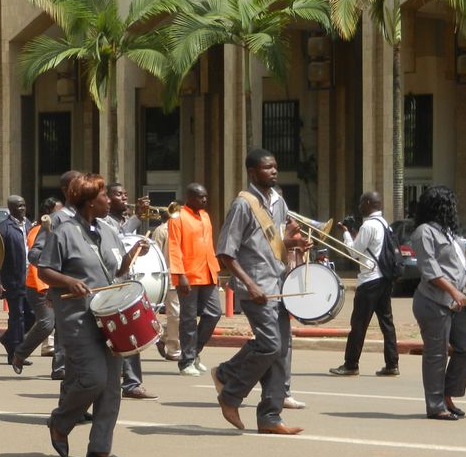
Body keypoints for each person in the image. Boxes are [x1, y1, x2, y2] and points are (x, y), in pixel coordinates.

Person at [39, 173, 150, 457]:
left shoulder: (109, 229)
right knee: (93, 379)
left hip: (111, 316)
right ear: (89, 202)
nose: (110, 200)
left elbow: (117, 271)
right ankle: (60, 422)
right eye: (104, 196)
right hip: (78, 317)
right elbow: (44, 270)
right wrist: (68, 281)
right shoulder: (63, 232)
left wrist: (134, 255)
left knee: (113, 384)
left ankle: (99, 447)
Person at [212, 149, 306, 436]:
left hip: (277, 285)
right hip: (254, 288)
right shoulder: (243, 204)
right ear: (253, 172)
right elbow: (226, 252)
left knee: (281, 351)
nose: (274, 171)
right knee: (269, 345)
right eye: (267, 168)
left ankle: (269, 417)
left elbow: (273, 244)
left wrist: (293, 243)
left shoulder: (276, 203)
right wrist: (250, 284)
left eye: (276, 166)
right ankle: (229, 389)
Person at [410, 185, 466, 421]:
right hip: (433, 302)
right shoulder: (424, 232)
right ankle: (436, 405)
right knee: (436, 354)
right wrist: (453, 291)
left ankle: (448, 394)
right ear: (441, 207)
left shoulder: (448, 232)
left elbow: (454, 266)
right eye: (451, 204)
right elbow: (430, 269)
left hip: (454, 303)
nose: (454, 209)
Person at [329, 191, 400, 377]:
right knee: (387, 323)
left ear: (368, 203)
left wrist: (346, 234)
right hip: (384, 278)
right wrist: (354, 234)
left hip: (369, 280)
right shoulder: (384, 224)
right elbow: (368, 248)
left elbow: (354, 253)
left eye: (361, 203)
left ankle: (351, 364)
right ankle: (392, 364)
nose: (359, 206)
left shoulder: (368, 225)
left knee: (358, 324)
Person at [104, 182, 156, 400]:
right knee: (116, 334)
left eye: (126, 194)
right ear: (106, 199)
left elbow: (126, 243)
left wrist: (139, 250)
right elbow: (120, 235)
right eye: (118, 194)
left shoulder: (123, 221)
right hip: (110, 283)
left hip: (125, 280)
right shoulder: (105, 221)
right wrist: (138, 217)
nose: (124, 198)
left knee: (130, 331)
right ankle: (115, 382)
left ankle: (132, 382)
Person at [28, 170, 81, 381]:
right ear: (66, 190)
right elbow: (35, 254)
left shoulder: (89, 217)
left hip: (88, 290)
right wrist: (58, 268)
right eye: (78, 185)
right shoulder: (57, 219)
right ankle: (59, 367)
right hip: (65, 288)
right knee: (62, 329)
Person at [167, 183, 221, 376]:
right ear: (189, 197)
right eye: (200, 197)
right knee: (188, 319)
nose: (204, 200)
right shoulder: (178, 216)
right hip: (187, 276)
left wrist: (215, 271)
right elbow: (173, 247)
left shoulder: (205, 216)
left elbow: (209, 246)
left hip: (208, 273)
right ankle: (187, 362)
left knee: (214, 313)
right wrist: (179, 275)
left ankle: (193, 352)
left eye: (205, 196)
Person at [12, 198, 62, 375]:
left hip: (57, 284)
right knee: (47, 323)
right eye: (58, 210)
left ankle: (59, 367)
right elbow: (35, 260)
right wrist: (44, 287)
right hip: (39, 286)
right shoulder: (37, 231)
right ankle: (20, 352)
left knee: (62, 325)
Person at [0, 195, 34, 365]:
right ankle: (15, 353)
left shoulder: (28, 224)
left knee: (32, 315)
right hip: (13, 279)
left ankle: (7, 337)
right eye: (18, 206)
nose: (22, 208)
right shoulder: (3, 228)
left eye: (24, 205)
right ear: (10, 208)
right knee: (17, 315)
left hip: (30, 278)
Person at [149, 215, 182, 364]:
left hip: (187, 276)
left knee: (183, 315)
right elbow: (154, 255)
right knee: (175, 314)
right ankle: (174, 350)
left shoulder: (184, 228)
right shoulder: (161, 230)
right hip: (169, 277)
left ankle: (161, 336)